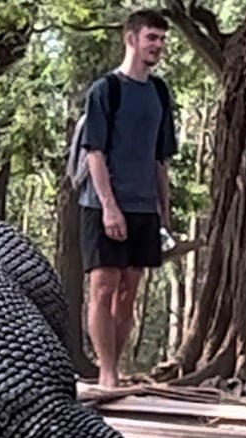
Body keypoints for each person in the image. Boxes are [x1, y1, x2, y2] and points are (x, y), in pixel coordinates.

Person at [77, 9, 178, 388]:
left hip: (144, 206)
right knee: (103, 286)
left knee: (128, 290)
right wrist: (109, 207)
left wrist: (163, 214)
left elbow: (160, 158)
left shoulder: (159, 92)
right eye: (152, 37)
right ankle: (105, 374)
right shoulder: (106, 90)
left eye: (162, 40)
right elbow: (94, 152)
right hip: (102, 203)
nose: (158, 46)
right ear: (132, 39)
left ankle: (114, 367)